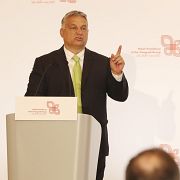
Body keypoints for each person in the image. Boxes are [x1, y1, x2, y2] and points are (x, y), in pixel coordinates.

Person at [25, 10, 129, 180]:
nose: (79, 32)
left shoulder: (103, 63)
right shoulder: (45, 63)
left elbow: (120, 96)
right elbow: (31, 101)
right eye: (73, 27)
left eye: (84, 28)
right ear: (62, 32)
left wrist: (116, 74)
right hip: (56, 141)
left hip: (93, 141)